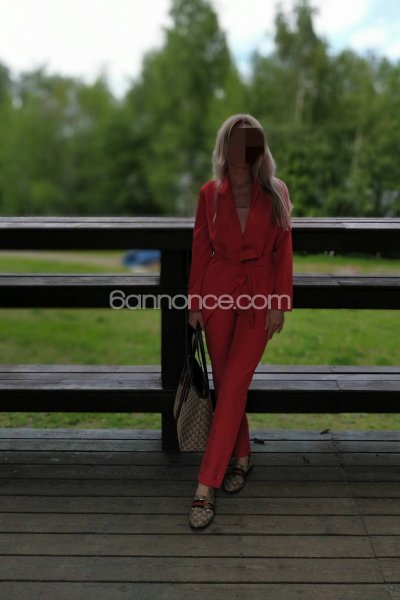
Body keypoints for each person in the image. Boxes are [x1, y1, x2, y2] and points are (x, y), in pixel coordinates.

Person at [187, 113, 294, 529]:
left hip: (260, 295)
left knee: (233, 383)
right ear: (223, 147)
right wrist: (196, 303)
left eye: (247, 142)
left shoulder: (276, 192)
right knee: (227, 382)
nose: (238, 150)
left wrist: (279, 301)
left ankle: (205, 485)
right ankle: (242, 457)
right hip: (217, 292)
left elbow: (283, 250)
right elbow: (200, 248)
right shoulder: (209, 194)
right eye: (233, 141)